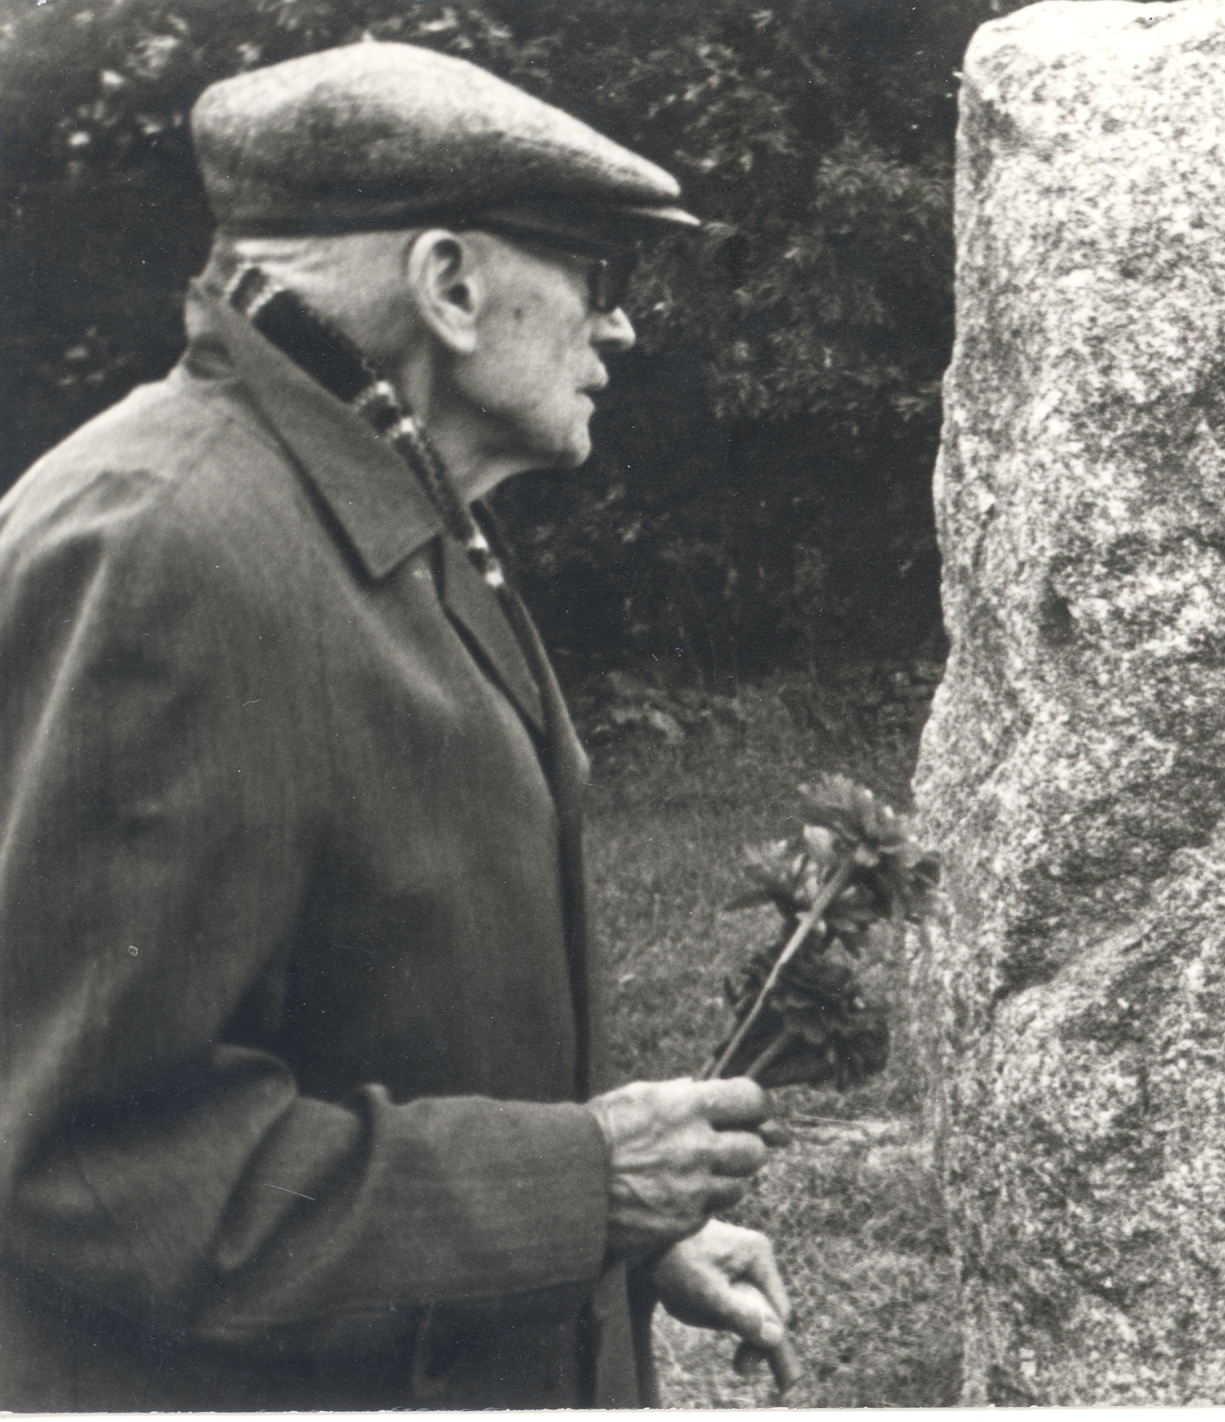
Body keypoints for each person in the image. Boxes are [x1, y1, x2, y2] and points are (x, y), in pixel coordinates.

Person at [0, 42, 789, 1409]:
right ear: (450, 285)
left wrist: (617, 1246)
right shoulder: (163, 547)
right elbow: (93, 1162)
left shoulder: (373, 508)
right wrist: (581, 1190)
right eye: (600, 276)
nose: (621, 330)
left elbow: (382, 1016)